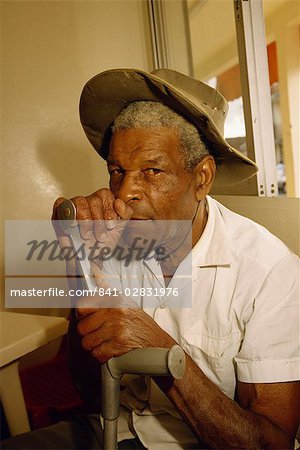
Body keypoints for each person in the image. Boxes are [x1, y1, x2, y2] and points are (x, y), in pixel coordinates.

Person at [2, 68, 299, 449]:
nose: (125, 193)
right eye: (117, 171)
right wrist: (79, 264)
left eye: (152, 171)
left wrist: (158, 349)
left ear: (202, 178)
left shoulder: (271, 272)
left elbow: (270, 443)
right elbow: (87, 387)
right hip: (117, 428)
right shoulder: (116, 241)